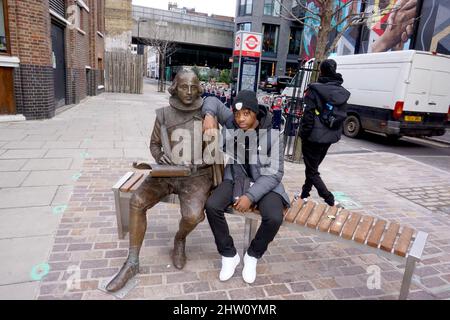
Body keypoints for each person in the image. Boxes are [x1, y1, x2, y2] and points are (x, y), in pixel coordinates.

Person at [105, 70, 217, 292]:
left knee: (194, 216)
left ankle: (180, 239)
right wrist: (160, 157)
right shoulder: (164, 114)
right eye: (183, 86)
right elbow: (154, 144)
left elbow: (214, 153)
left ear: (199, 88)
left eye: (193, 87)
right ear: (175, 87)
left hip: (196, 175)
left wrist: (200, 155)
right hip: (166, 172)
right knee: (137, 200)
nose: (188, 91)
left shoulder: (207, 113)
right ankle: (132, 262)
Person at [202, 90, 290, 284]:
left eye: (246, 114)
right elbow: (211, 100)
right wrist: (208, 115)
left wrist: (250, 196)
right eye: (236, 113)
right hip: (235, 179)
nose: (240, 118)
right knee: (212, 206)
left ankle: (252, 256)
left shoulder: (273, 136)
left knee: (274, 217)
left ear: (256, 113)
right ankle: (229, 255)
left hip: (264, 183)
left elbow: (275, 173)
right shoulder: (234, 123)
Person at [298, 59, 350, 206]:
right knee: (312, 168)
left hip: (313, 136)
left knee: (312, 171)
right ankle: (304, 195)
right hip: (330, 136)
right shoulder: (342, 92)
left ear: (322, 71)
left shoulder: (314, 89)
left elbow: (308, 115)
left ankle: (329, 199)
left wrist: (304, 134)